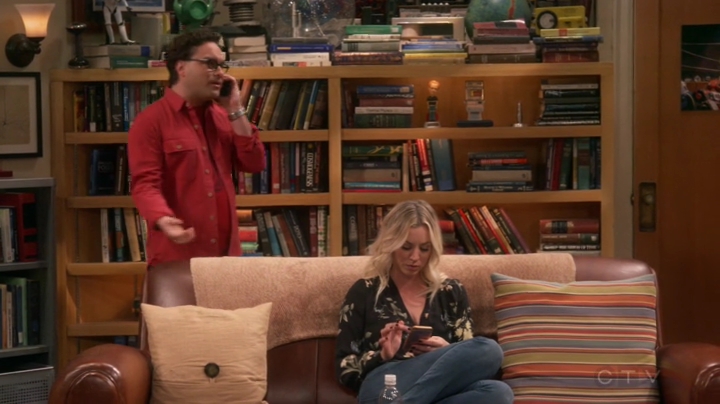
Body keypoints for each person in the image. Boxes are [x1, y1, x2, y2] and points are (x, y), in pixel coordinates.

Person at [335, 200, 513, 404]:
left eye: (424, 249)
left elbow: (472, 360)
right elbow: (344, 368)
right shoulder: (364, 291)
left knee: (497, 385)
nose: (415, 257)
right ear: (391, 244)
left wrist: (446, 350)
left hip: (439, 391)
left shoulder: (451, 292)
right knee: (490, 350)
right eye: (406, 247)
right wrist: (382, 355)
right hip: (386, 386)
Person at [128, 29, 265, 268]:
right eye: (210, 64)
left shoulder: (223, 116)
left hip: (226, 259)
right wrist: (162, 218)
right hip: (179, 256)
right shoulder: (151, 121)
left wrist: (235, 108)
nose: (220, 73)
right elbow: (145, 184)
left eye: (222, 65)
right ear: (181, 68)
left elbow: (254, 163)